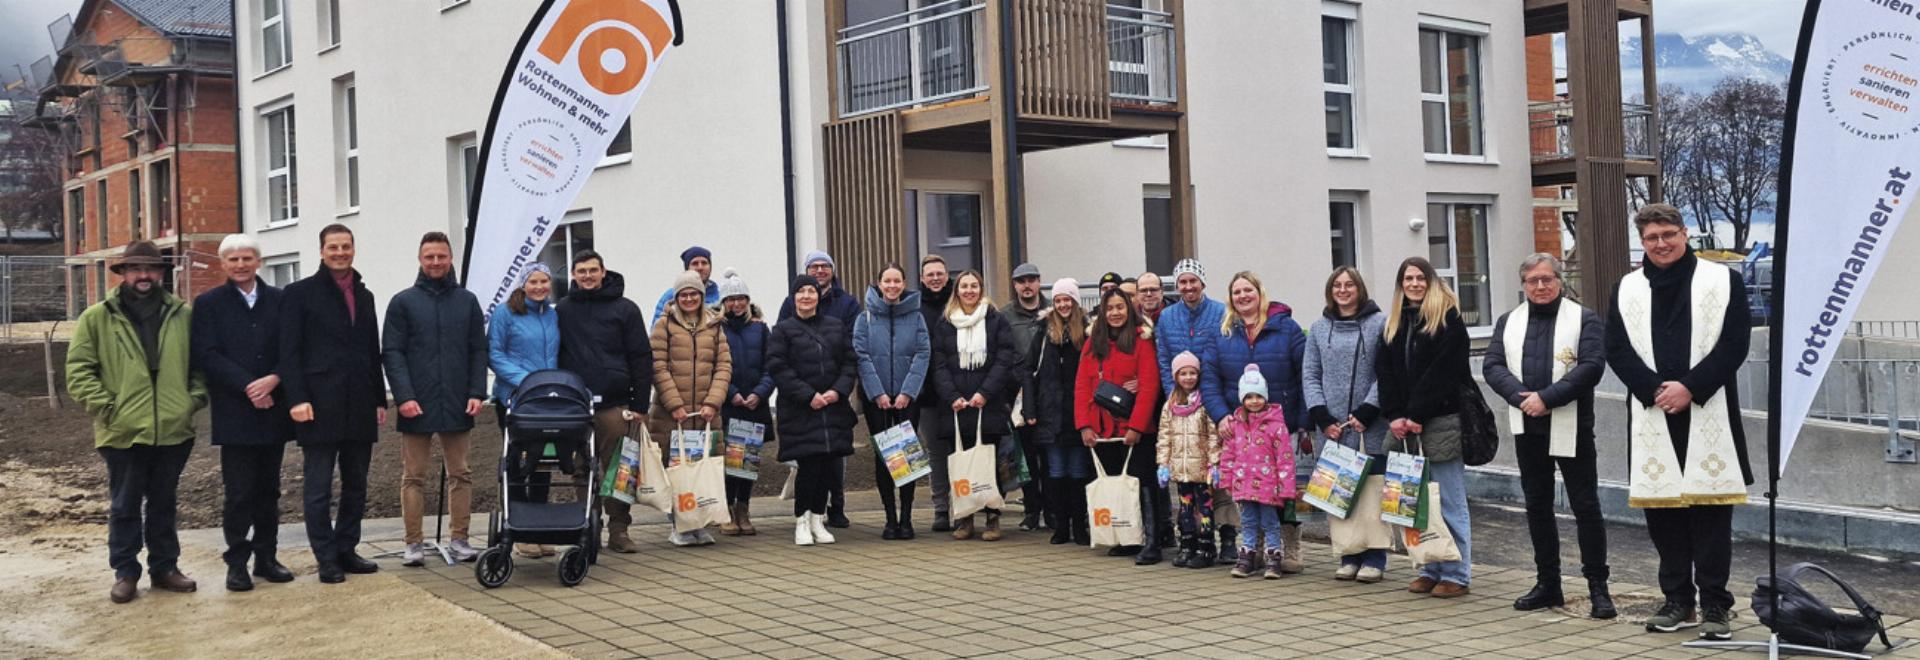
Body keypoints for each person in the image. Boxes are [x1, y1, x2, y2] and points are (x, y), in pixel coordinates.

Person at [1605, 204, 1752, 640]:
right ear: (1642, 242)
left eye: (1668, 234)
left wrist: (1689, 387)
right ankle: (1676, 601)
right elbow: (1617, 349)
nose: (1661, 243)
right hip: (1653, 412)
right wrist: (1654, 390)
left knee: (1710, 513)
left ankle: (1715, 605)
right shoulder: (1626, 288)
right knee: (1662, 513)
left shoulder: (1723, 281)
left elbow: (1734, 343)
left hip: (1706, 409)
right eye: (1652, 238)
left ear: (1685, 234)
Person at [68, 241, 207, 603]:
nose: (144, 276)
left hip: (173, 429)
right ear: (124, 274)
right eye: (135, 269)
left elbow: (201, 366)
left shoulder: (182, 315)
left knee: (164, 502)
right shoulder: (97, 318)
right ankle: (126, 572)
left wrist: (189, 402)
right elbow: (79, 371)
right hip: (123, 431)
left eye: (151, 269)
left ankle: (165, 568)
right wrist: (108, 407)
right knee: (124, 505)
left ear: (161, 274)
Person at [1484, 253, 1615, 619]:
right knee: (1537, 506)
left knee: (1585, 507)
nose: (1540, 286)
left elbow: (1592, 366)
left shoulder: (1584, 318)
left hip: (1572, 427)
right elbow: (1492, 365)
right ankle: (1548, 584)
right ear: (1523, 285)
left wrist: (1547, 398)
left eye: (1547, 279)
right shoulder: (1509, 322)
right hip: (1529, 428)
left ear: (1559, 281)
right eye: (1532, 281)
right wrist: (1521, 398)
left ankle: (1598, 588)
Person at [279, 224, 386, 584]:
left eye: (346, 246)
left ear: (354, 249)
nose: (340, 252)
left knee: (356, 483)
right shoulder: (299, 294)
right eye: (333, 247)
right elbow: (289, 353)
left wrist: (378, 398)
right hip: (318, 405)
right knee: (319, 486)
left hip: (359, 404)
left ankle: (346, 548)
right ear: (321, 251)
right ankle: (325, 557)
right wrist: (296, 398)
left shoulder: (365, 294)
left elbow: (372, 349)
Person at [191, 235, 296, 592]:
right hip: (235, 412)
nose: (240, 265)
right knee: (238, 493)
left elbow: (293, 348)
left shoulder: (280, 301)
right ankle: (237, 561)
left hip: (273, 410)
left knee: (269, 490)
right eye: (233, 259)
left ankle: (267, 557)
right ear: (223, 264)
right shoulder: (209, 304)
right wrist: (249, 386)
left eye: (247, 258)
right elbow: (207, 354)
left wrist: (274, 379)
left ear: (258, 261)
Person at [383, 232, 488, 566]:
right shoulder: (403, 302)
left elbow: (477, 349)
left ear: (451, 258)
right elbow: (392, 352)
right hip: (417, 402)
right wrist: (404, 396)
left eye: (441, 256)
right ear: (420, 259)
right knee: (413, 476)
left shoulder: (467, 301)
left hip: (458, 400)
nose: (435, 262)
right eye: (429, 256)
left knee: (461, 473)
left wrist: (476, 391)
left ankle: (460, 539)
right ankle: (413, 543)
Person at [1379, 256, 1474, 599]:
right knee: (1415, 502)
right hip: (1405, 425)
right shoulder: (1394, 323)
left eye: (1420, 278)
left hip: (1441, 421)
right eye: (1408, 278)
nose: (1415, 284)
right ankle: (1429, 566)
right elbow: (1385, 373)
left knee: (1449, 501)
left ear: (1431, 282)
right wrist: (1394, 414)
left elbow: (1444, 374)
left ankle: (1457, 572)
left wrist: (1417, 411)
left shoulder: (1448, 320)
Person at [1203, 271, 1308, 573]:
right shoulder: (1221, 333)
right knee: (1250, 489)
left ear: (1260, 293)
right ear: (1230, 298)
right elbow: (1209, 379)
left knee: (1287, 489)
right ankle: (1256, 547)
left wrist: (1302, 421)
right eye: (1237, 292)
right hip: (1241, 428)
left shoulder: (1286, 329)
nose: (1243, 296)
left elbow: (1304, 375)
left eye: (1248, 290)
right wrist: (1221, 414)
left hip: (1281, 424)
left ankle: (1290, 547)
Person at [556, 250, 653, 553]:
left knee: (619, 470)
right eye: (581, 271)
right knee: (581, 469)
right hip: (576, 405)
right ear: (573, 274)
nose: (587, 276)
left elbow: (641, 357)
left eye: (592, 270)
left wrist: (639, 404)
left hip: (615, 405)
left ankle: (619, 530)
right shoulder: (562, 310)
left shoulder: (625, 309)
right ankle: (589, 526)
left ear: (603, 272)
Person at [1303, 266, 1390, 583]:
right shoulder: (1318, 327)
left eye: (1349, 284)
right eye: (1337, 285)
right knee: (1339, 495)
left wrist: (1368, 409)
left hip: (1369, 426)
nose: (1343, 290)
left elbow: (1387, 373)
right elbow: (1310, 375)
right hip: (1333, 429)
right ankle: (1348, 554)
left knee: (1371, 495)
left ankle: (1375, 558)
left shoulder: (1380, 324)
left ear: (1360, 288)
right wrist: (1322, 416)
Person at [768, 275, 859, 546]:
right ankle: (802, 520)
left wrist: (836, 391)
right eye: (801, 291)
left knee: (828, 467)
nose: (806, 296)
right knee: (808, 466)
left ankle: (819, 518)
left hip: (832, 408)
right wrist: (809, 395)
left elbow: (849, 363)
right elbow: (778, 367)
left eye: (811, 291)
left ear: (819, 296)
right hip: (801, 410)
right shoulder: (782, 330)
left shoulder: (835, 326)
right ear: (793, 297)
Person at [930, 269, 1020, 541]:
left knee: (991, 463)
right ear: (956, 291)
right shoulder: (945, 323)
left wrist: (985, 393)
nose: (969, 291)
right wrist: (952, 396)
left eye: (974, 286)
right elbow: (939, 364)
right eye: (964, 286)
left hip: (987, 405)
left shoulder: (995, 320)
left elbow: (1004, 359)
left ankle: (993, 518)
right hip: (955, 408)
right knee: (960, 464)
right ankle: (965, 518)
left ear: (981, 289)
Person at [1075, 288, 1162, 563]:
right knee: (1116, 485)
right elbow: (1081, 386)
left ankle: (1153, 540)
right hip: (1103, 429)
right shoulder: (1093, 343)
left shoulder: (1141, 340)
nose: (1115, 313)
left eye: (1120, 307)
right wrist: (1084, 426)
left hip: (1133, 428)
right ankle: (1126, 538)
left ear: (1129, 309)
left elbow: (1149, 387)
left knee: (1143, 484)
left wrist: (1137, 426)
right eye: (1110, 308)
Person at [650, 268, 734, 547]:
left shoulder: (714, 324)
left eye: (693, 294)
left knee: (702, 470)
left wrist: (713, 401)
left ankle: (699, 523)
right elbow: (658, 366)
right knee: (677, 470)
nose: (689, 299)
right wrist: (674, 404)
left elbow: (723, 365)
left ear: (701, 295)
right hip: (672, 415)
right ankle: (679, 525)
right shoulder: (664, 325)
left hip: (706, 415)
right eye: (683, 294)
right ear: (676, 297)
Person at [1155, 258, 1230, 560]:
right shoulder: (1167, 317)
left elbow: (1223, 354)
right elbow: (1163, 358)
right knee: (1187, 487)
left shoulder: (1219, 312)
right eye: (1182, 282)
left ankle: (1222, 540)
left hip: (1211, 398)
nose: (1188, 287)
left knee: (1216, 480)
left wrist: (1212, 397)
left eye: (1193, 281)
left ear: (1202, 283)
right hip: (1180, 401)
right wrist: (1175, 394)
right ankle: (1189, 540)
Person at [487, 263, 561, 558]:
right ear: (522, 284)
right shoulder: (506, 313)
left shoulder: (552, 314)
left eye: (544, 280)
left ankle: (540, 528)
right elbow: (495, 353)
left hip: (546, 401)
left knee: (543, 465)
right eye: (534, 281)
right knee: (518, 465)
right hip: (514, 399)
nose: (540, 286)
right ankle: (519, 530)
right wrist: (526, 382)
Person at [854, 264, 931, 540]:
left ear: (904, 284)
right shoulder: (865, 318)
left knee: (907, 457)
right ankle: (889, 518)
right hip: (879, 402)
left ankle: (907, 518)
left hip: (906, 400)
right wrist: (878, 393)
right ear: (878, 284)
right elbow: (861, 356)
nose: (892, 286)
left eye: (897, 281)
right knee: (884, 458)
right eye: (887, 281)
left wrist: (907, 392)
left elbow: (923, 354)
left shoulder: (917, 317)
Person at [1217, 365, 1306, 579]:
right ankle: (1247, 555)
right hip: (1243, 485)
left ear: (1266, 397)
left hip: (1268, 488)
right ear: (1242, 399)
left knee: (1270, 522)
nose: (1254, 401)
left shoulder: (1276, 426)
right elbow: (1228, 455)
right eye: (1249, 397)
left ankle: (1273, 557)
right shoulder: (1237, 424)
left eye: (1258, 396)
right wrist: (1227, 481)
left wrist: (1286, 489)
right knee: (1247, 521)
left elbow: (1285, 459)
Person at [1023, 278, 1091, 545]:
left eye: (1068, 300)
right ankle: (1060, 525)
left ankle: (1080, 525)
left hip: (1077, 411)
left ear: (1075, 302)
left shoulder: (1086, 331)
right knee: (1055, 471)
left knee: (1077, 471)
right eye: (1059, 300)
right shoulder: (1042, 332)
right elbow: (1028, 371)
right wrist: (1030, 408)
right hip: (1049, 411)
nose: (1063, 304)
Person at [716, 268, 774, 536]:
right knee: (729, 461)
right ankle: (727, 510)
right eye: (731, 299)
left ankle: (744, 509)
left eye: (741, 298)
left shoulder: (760, 329)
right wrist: (733, 393)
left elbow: (772, 365)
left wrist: (759, 393)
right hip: (729, 405)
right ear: (724, 302)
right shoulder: (716, 329)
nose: (736, 304)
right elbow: (714, 367)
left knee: (748, 461)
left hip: (755, 405)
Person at [1157, 351, 1219, 569]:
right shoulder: (1170, 405)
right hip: (1180, 468)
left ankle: (1206, 546)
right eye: (1183, 373)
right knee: (1184, 508)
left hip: (1201, 469)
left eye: (1193, 373)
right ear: (1176, 376)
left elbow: (1213, 435)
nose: (1188, 378)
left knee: (1204, 509)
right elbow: (1164, 436)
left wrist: (1215, 463)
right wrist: (1162, 464)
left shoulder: (1204, 404)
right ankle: (1187, 544)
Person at [1001, 262, 1050, 532]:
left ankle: (1053, 510)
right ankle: (1032, 510)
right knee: (1027, 457)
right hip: (1018, 396)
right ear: (1015, 284)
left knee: (1050, 456)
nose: (1027, 285)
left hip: (1049, 394)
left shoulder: (1053, 311)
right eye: (1022, 281)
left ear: (1039, 281)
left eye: (1032, 279)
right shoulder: (1005, 316)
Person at [917, 255, 956, 531]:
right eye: (929, 274)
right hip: (928, 393)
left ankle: (965, 506)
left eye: (939, 274)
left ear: (947, 275)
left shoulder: (959, 302)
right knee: (936, 452)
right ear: (922, 278)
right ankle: (941, 508)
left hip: (959, 392)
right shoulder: (914, 308)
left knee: (962, 450)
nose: (935, 278)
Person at [652, 246, 720, 323]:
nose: (700, 267)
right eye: (695, 263)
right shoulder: (670, 296)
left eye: (704, 263)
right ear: (687, 268)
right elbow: (657, 328)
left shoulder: (720, 296)